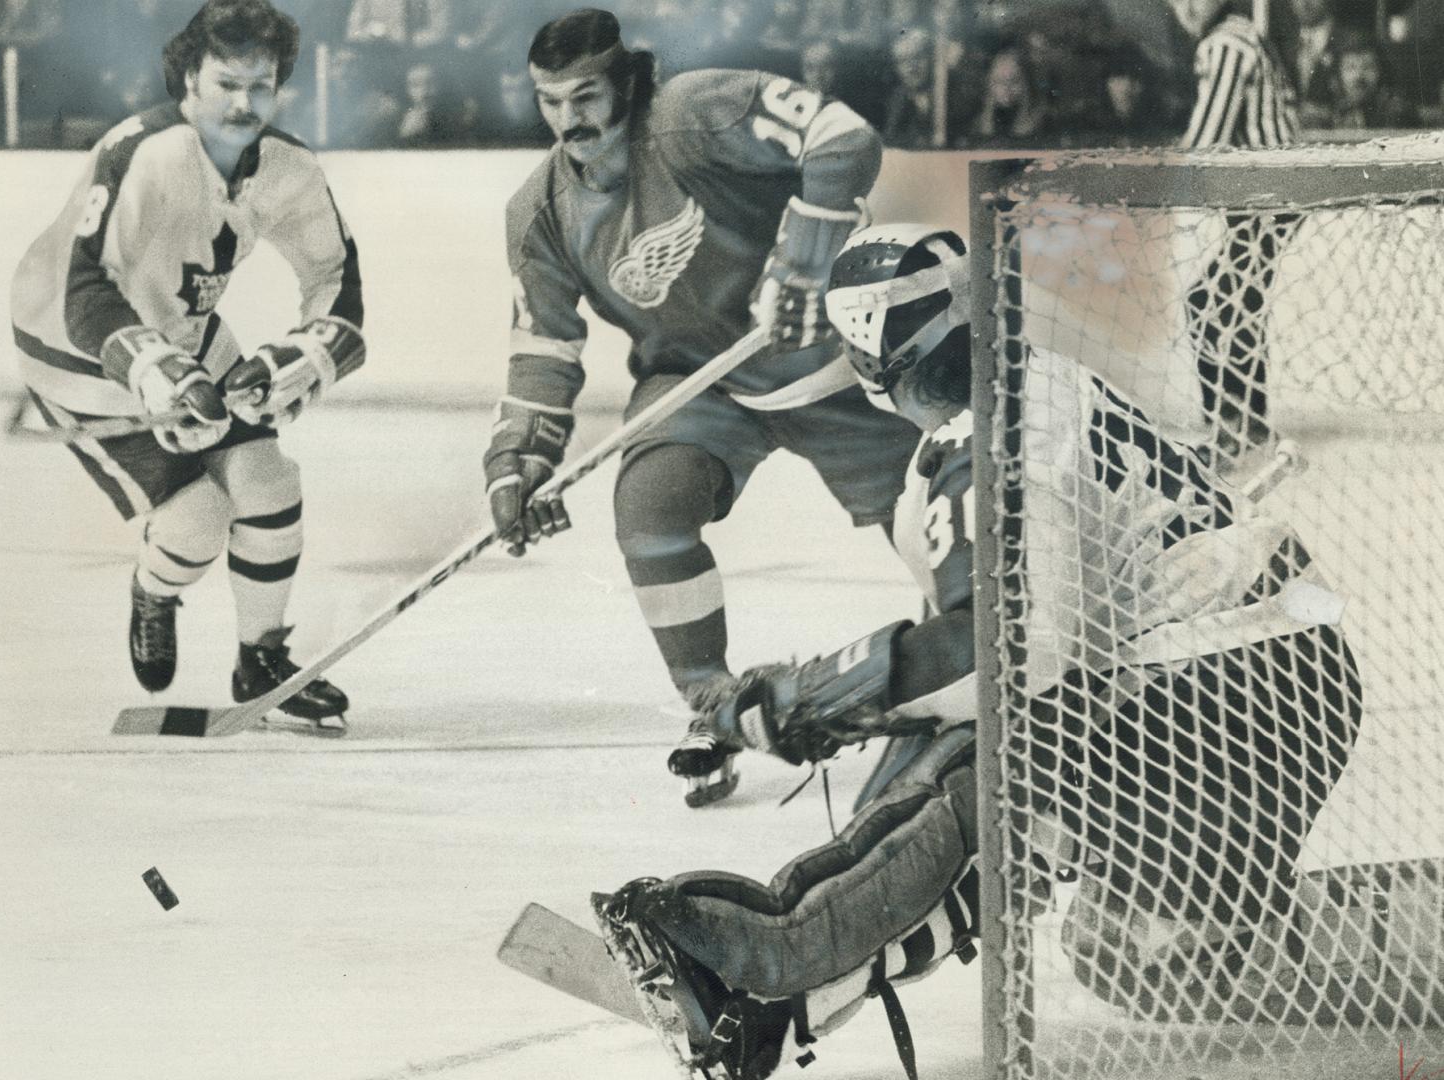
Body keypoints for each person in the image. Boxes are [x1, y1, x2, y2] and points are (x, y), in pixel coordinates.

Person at [596, 222, 1366, 1079]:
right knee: (1118, 952)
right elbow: (988, 675)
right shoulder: (1039, 387)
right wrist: (853, 748)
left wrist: (812, 698)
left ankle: (778, 953)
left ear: (871, 370)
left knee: (994, 772)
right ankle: (800, 1004)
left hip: (1222, 700)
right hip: (1281, 693)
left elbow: (998, 658)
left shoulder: (988, 441)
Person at [486, 8, 923, 805]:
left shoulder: (692, 113)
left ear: (624, 80)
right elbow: (542, 349)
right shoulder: (541, 212)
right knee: (650, 506)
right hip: (699, 381)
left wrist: (804, 263)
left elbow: (842, 137)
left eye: (583, 96)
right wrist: (519, 459)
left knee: (937, 530)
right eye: (550, 101)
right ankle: (712, 705)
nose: (567, 120)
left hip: (831, 372)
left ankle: (981, 685)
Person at [10, 0, 366, 734]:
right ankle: (155, 590)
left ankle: (260, 659)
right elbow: (85, 293)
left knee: (270, 480)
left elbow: (338, 282)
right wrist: (159, 375)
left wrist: (292, 358)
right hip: (78, 353)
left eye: (260, 86)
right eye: (227, 84)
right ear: (189, 82)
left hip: (185, 331)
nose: (244, 104)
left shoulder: (288, 168)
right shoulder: (147, 152)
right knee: (199, 517)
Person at [1169, 0, 1303, 465]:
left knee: (1209, 305)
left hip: (1268, 198)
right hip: (1266, 198)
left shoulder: (1227, 41)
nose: (1184, 8)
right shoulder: (1239, 33)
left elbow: (1208, 136)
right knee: (1238, 305)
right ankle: (1251, 424)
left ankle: (1230, 428)